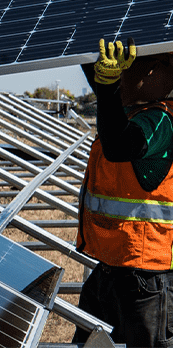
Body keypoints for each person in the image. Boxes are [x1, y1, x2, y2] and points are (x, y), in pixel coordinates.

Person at [73, 37, 173, 347]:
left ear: (156, 71)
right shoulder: (130, 111)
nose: (120, 74)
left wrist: (108, 84)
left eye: (129, 67)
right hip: (111, 269)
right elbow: (100, 79)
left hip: (145, 276)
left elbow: (118, 145)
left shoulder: (160, 121)